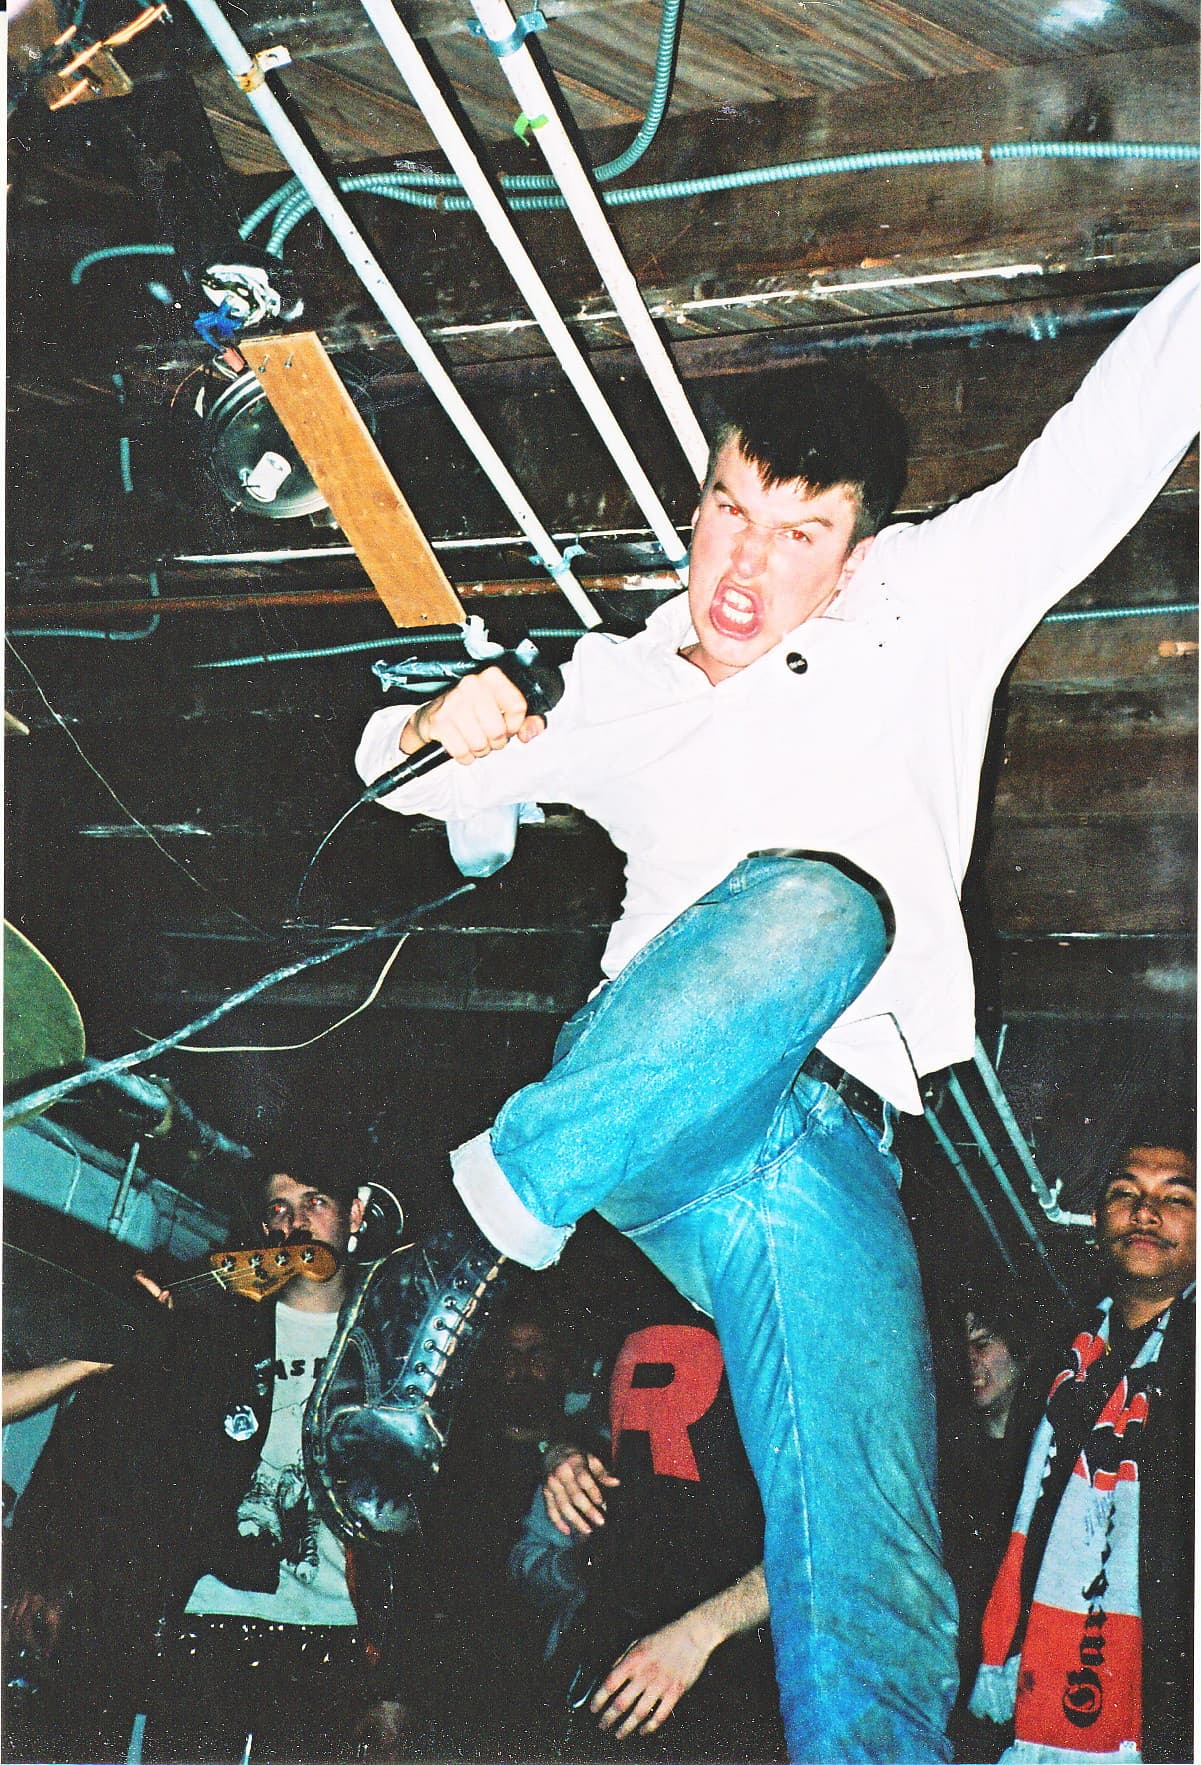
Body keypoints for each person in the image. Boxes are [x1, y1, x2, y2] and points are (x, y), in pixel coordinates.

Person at [327, 266, 1200, 1764]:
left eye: (799, 536)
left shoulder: (927, 603)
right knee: (822, 908)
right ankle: (458, 1251)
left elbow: (1110, 438)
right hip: (662, 1102)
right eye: (729, 512)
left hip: (831, 1162)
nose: (745, 565)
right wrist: (431, 723)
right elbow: (405, 780)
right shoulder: (613, 685)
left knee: (873, 1556)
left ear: (854, 556)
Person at [4, 1165, 413, 1764]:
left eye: (315, 1202)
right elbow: (100, 1435)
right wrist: (48, 1562)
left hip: (338, 1635)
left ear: (355, 1215)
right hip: (213, 1616)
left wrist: (396, 1682)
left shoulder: (391, 1344)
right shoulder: (215, 1330)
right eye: (278, 1209)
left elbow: (422, 1517)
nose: (295, 1223)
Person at [969, 1140, 1195, 1764]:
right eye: (1126, 1193)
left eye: (1176, 1198)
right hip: (1022, 1685)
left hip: (1154, 1714)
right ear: (1096, 1220)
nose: (1145, 1212)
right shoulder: (1061, 1355)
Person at [511, 1274, 784, 1763]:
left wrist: (700, 1633)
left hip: (729, 1669)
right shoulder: (636, 1294)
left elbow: (838, 1534)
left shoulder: (783, 1306)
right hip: (613, 1655)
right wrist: (563, 1453)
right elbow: (616, 1428)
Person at [939, 1292, 1045, 1762]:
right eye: (960, 1348)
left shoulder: (1051, 1457)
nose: (971, 1360)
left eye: (982, 1342)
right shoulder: (951, 1469)